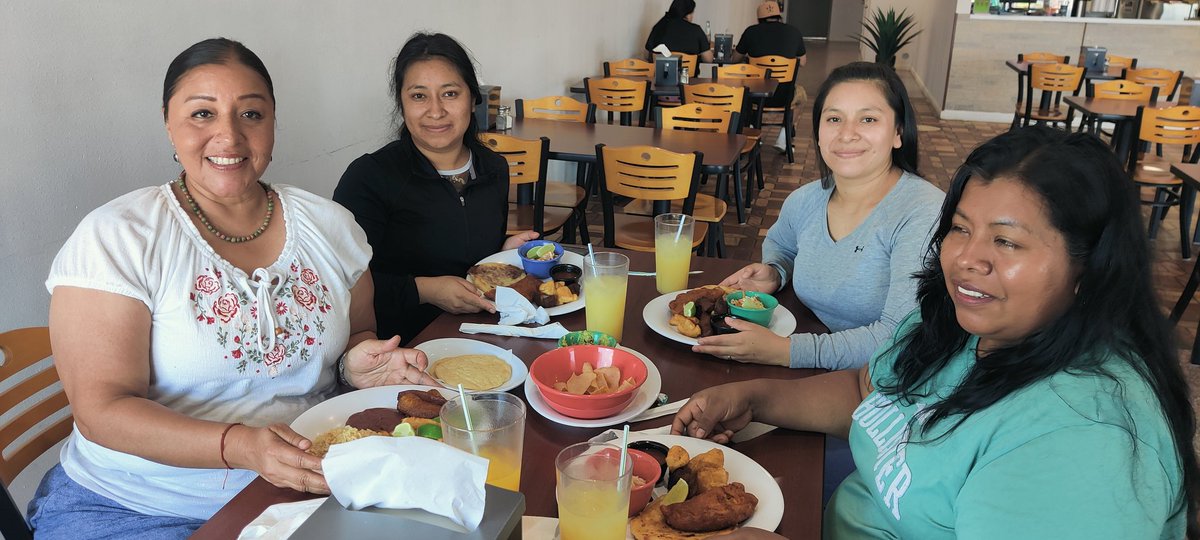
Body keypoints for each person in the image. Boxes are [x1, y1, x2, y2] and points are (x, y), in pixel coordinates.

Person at [673, 126, 1199, 539]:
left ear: (1091, 267)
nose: (968, 259)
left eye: (1007, 242)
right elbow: (868, 391)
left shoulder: (1084, 439)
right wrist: (753, 399)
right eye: (961, 228)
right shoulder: (963, 324)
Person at [25, 38, 438, 539]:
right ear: (168, 122)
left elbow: (357, 336)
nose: (229, 136)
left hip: (313, 487)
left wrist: (358, 365)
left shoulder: (331, 227)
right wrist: (240, 446)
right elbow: (102, 412)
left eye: (251, 114)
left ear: (273, 123)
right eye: (202, 113)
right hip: (141, 507)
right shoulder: (119, 237)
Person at [694, 62, 943, 371]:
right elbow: (784, 247)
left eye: (868, 119)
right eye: (834, 119)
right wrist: (776, 270)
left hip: (891, 382)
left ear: (898, 132)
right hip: (817, 363)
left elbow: (899, 338)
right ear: (819, 133)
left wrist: (786, 351)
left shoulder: (922, 212)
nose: (847, 134)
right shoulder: (806, 200)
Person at [334, 33, 536, 345]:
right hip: (402, 347)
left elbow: (466, 255)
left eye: (450, 93)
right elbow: (339, 285)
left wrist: (503, 254)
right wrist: (424, 290)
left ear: (473, 98)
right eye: (419, 96)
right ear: (402, 103)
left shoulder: (493, 168)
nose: (436, 111)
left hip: (487, 335)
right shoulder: (369, 177)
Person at [735, 0, 807, 151]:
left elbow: (735, 58)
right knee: (801, 97)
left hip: (756, 95)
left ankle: (753, 130)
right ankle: (783, 138)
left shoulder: (751, 32)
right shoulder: (794, 32)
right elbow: (802, 62)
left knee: (741, 92)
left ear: (759, 19)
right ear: (779, 16)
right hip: (784, 95)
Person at [644, 0, 714, 65]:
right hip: (688, 73)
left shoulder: (659, 26)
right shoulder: (696, 30)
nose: (692, 17)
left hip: (661, 73)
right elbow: (708, 59)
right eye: (692, 13)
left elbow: (646, 55)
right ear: (687, 14)